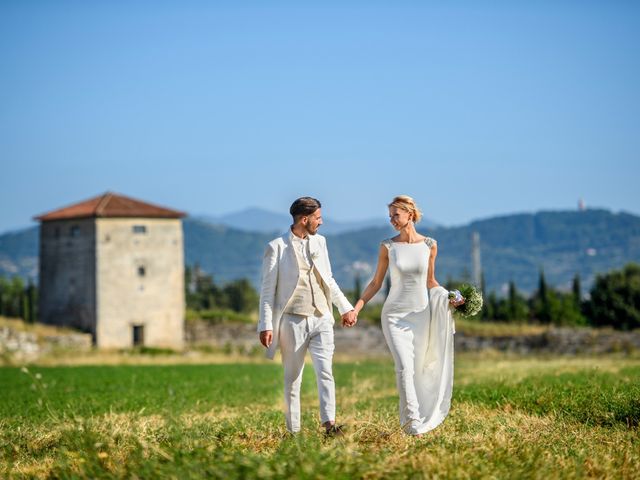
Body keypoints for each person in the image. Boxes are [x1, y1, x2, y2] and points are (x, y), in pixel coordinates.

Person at [353, 195, 463, 436]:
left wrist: (449, 298)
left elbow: (431, 281)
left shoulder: (430, 245)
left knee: (418, 368)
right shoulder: (388, 246)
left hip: (421, 315)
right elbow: (375, 282)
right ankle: (412, 425)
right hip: (394, 315)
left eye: (396, 215)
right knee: (404, 367)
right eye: (390, 216)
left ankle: (417, 417)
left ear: (410, 214)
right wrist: (357, 307)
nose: (392, 220)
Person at [258, 197, 357, 436]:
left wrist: (345, 307)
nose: (321, 223)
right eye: (318, 218)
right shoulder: (277, 247)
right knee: (293, 378)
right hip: (292, 320)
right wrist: (265, 325)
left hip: (322, 316)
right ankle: (293, 432)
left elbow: (328, 279)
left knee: (325, 371)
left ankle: (329, 426)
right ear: (305, 219)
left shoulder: (320, 242)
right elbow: (267, 290)